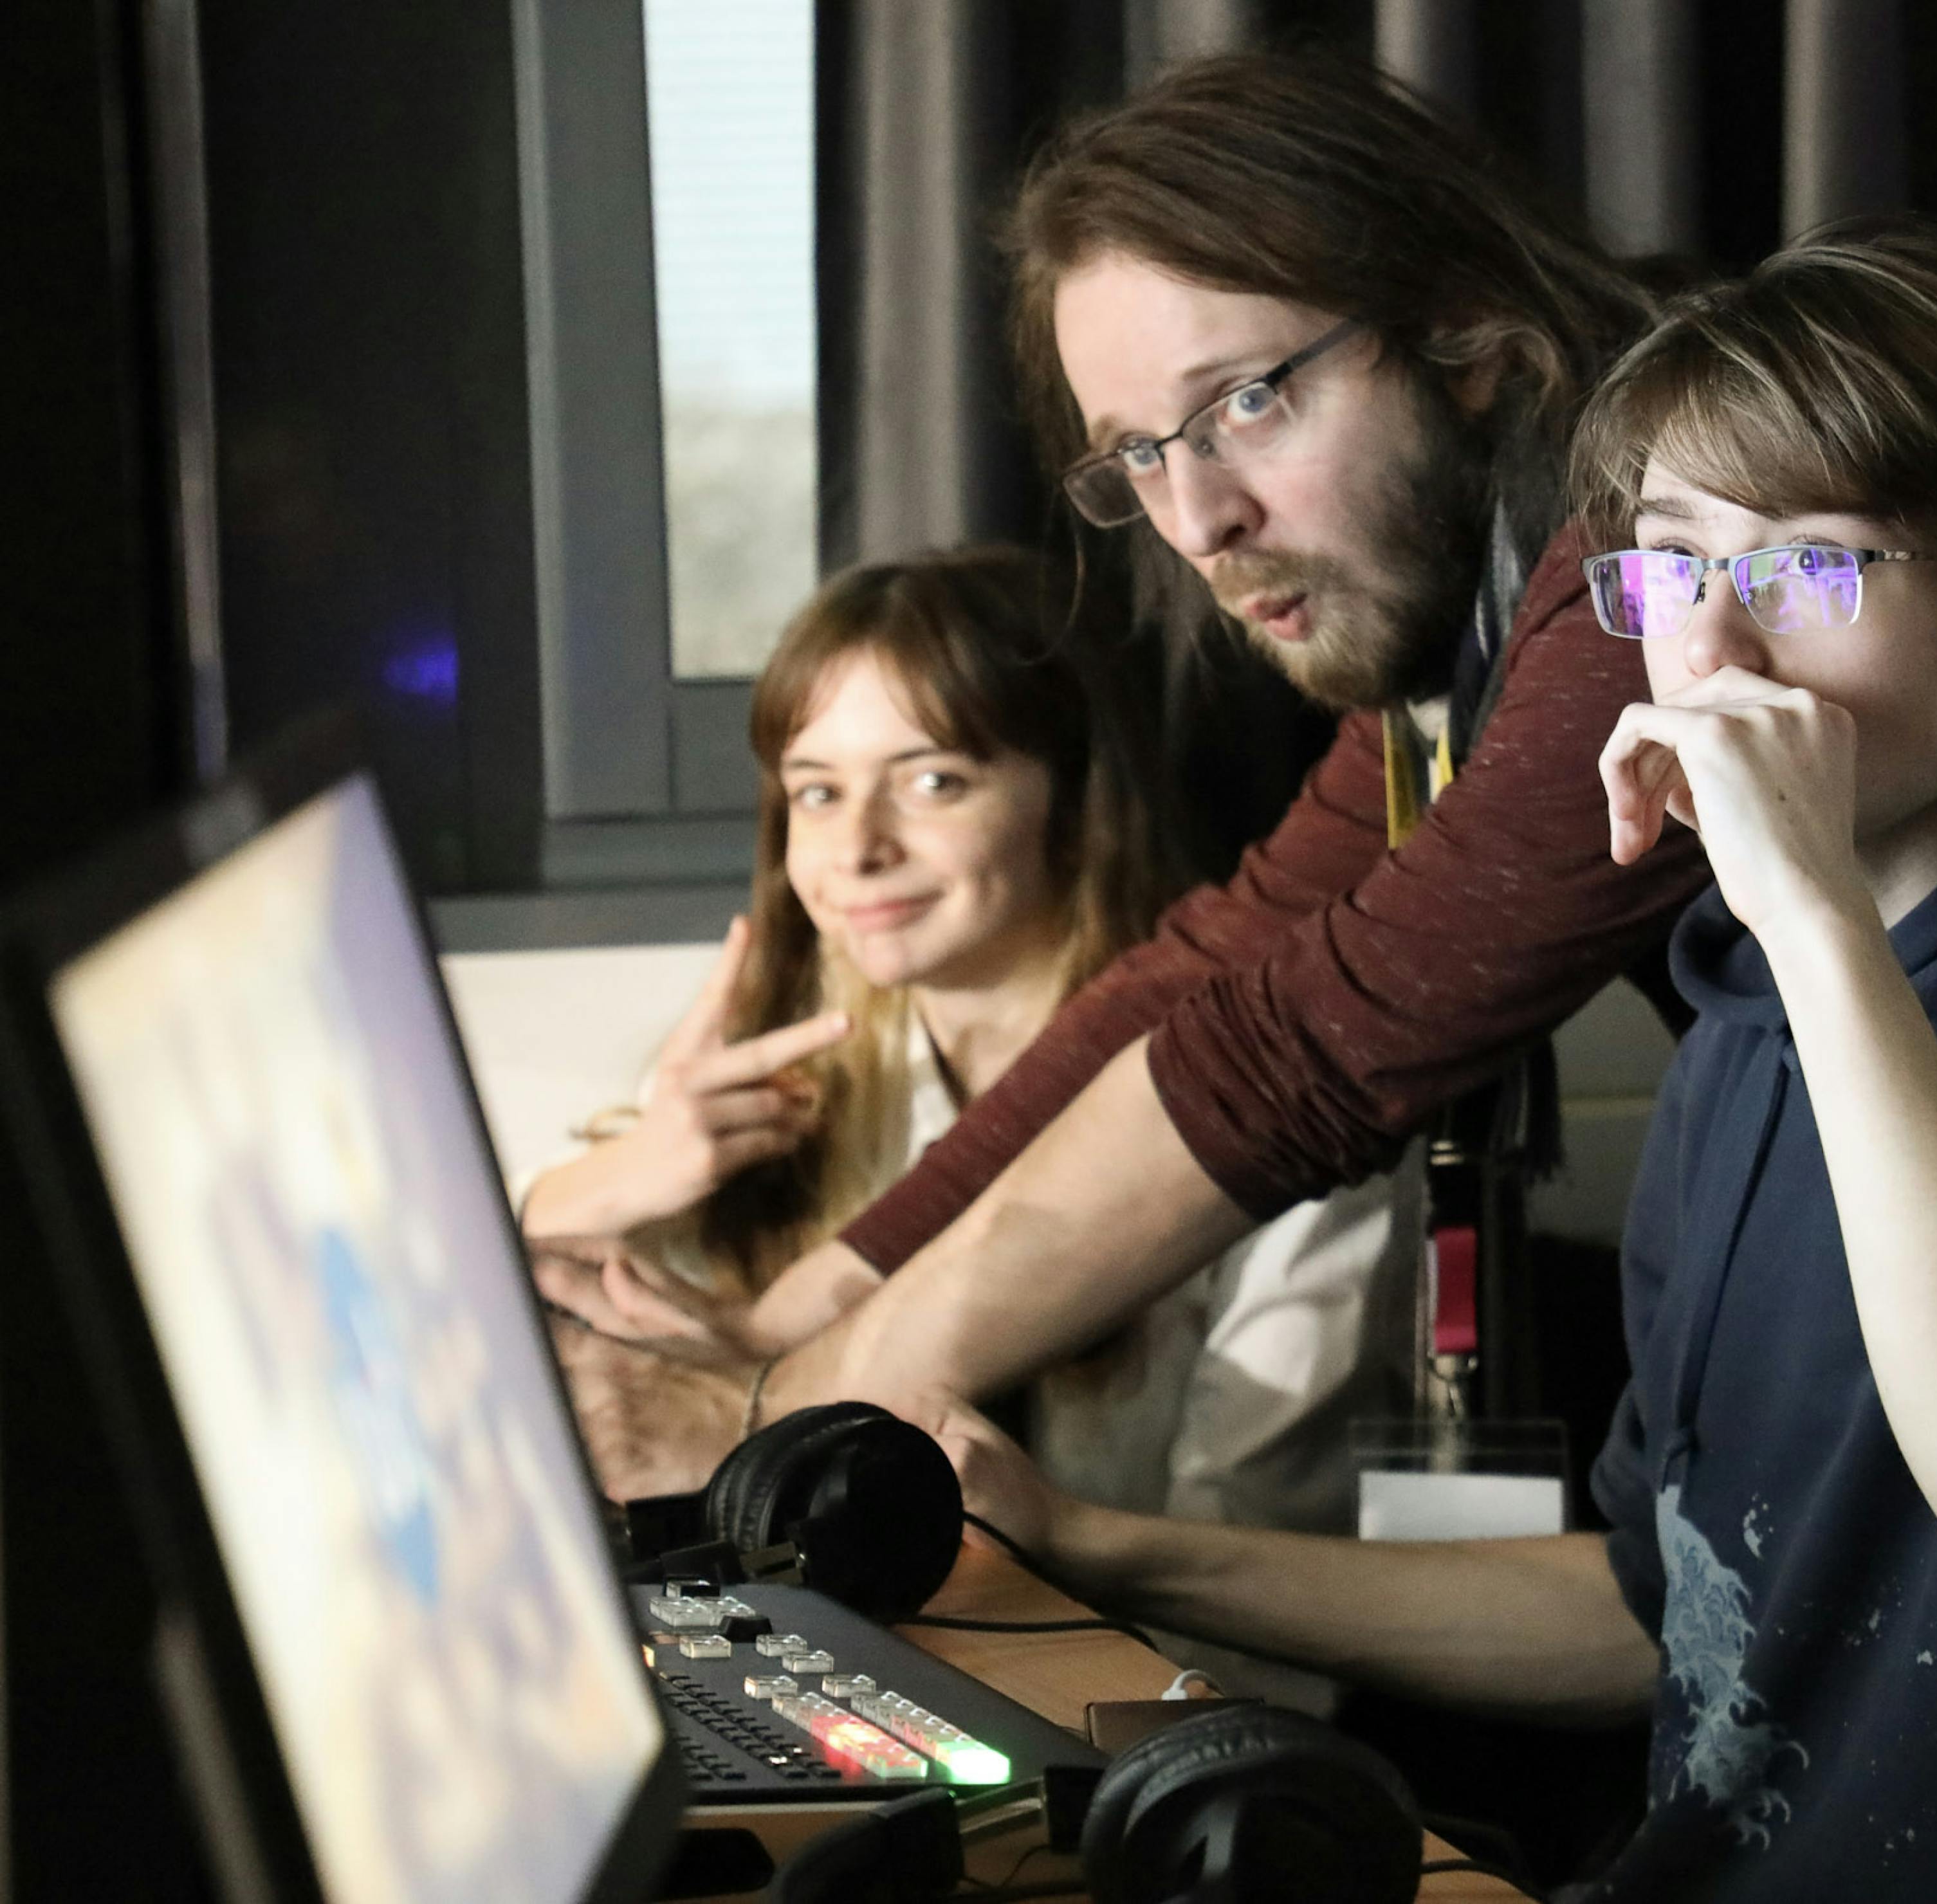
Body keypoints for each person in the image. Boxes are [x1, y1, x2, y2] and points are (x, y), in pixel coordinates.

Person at [930, 221, 1937, 1901]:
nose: (1714, 655)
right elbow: (1660, 1602)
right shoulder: (1748, 1034)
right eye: (1679, 570)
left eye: (1807, 570)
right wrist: (1098, 1544)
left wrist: (1815, 920)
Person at [532, 547, 1420, 1577]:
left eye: (932, 782)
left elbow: (1257, 1604)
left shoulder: (1280, 1104)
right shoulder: (762, 1093)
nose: (858, 848)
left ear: (1074, 794)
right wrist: (613, 1181)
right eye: (816, 793)